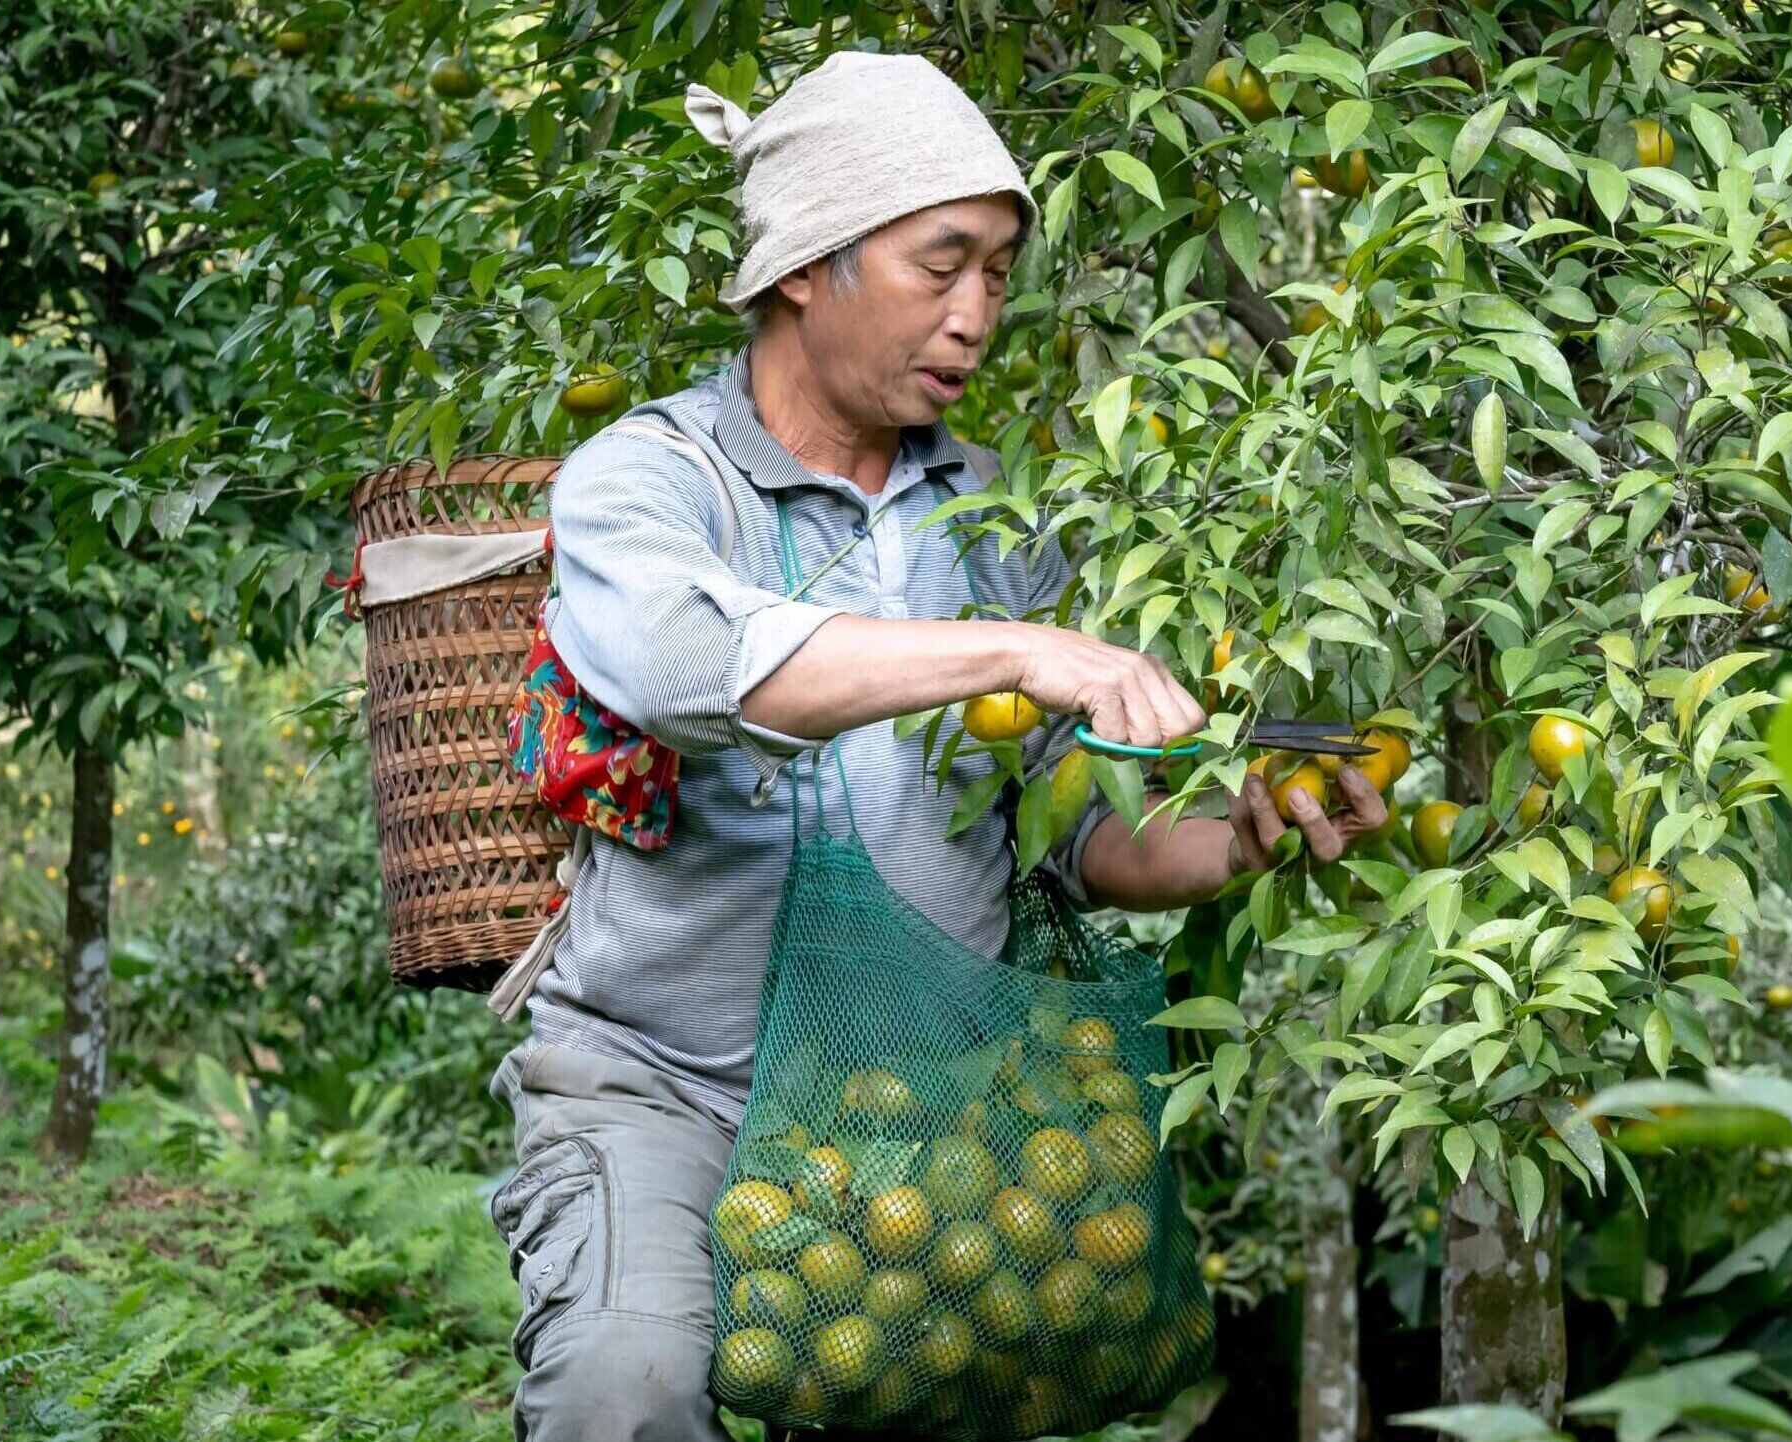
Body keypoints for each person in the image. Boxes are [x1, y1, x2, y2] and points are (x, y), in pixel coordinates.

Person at [483, 50, 1390, 1441]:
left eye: (999, 274)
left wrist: (1243, 838)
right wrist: (1018, 649)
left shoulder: (992, 520)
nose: (977, 314)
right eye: (941, 264)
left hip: (910, 1102)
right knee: (627, 1387)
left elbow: (1077, 836)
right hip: (664, 1086)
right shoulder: (651, 478)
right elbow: (678, 667)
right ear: (807, 264)